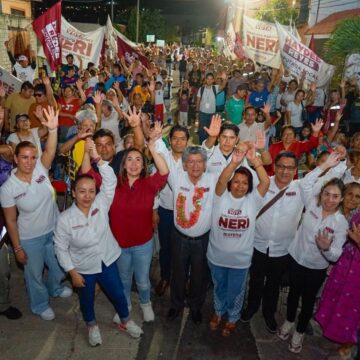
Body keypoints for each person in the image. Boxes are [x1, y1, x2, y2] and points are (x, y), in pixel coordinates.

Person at [54, 138, 143, 347]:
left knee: (118, 294)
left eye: (91, 191)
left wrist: (98, 159)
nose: (87, 196)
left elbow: (110, 181)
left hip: (107, 260)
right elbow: (60, 247)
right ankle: (92, 325)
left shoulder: (102, 203)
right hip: (83, 267)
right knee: (86, 301)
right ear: (73, 193)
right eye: (82, 191)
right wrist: (72, 272)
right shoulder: (65, 219)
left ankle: (125, 320)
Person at [0, 106, 72, 321]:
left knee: (61, 267)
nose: (29, 162)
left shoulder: (41, 169)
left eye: (32, 157)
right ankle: (40, 305)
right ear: (16, 159)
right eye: (24, 157)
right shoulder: (8, 188)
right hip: (30, 238)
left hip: (54, 230)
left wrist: (52, 130)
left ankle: (55, 289)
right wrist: (18, 247)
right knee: (34, 276)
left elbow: (50, 151)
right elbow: (11, 221)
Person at [277, 152, 348, 354]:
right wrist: (325, 165)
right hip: (296, 258)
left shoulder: (340, 223)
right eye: (327, 194)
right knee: (292, 295)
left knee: (307, 302)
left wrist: (326, 248)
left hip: (316, 267)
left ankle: (299, 332)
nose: (329, 200)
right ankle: (289, 322)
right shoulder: (312, 205)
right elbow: (306, 183)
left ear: (341, 199)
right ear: (321, 194)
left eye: (335, 196)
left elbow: (335, 256)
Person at [109, 111, 169, 323]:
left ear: (144, 166)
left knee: (143, 280)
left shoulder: (148, 185)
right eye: (130, 160)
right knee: (123, 279)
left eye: (138, 161)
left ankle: (145, 303)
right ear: (123, 165)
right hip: (120, 244)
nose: (134, 163)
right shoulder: (113, 185)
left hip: (143, 243)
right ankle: (124, 306)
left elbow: (163, 173)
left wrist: (152, 147)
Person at [207, 143, 269, 336]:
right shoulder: (220, 196)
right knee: (219, 287)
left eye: (244, 182)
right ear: (230, 183)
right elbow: (221, 180)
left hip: (240, 261)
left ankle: (233, 317)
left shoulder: (253, 200)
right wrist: (234, 162)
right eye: (236, 181)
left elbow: (265, 182)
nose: (240, 185)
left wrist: (254, 161)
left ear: (249, 186)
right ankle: (218, 312)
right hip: (216, 257)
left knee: (236, 291)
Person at [166, 146, 218, 324]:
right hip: (179, 237)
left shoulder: (213, 180)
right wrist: (154, 142)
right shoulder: (176, 177)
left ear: (205, 165)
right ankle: (176, 305)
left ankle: (195, 306)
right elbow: (161, 158)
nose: (195, 166)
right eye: (191, 162)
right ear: (184, 165)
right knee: (178, 274)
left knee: (200, 275)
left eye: (199, 162)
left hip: (203, 240)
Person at [154, 125, 190, 296]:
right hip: (166, 209)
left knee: (186, 248)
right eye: (175, 138)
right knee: (166, 246)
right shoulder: (162, 157)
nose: (178, 142)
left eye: (182, 138)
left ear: (188, 141)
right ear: (170, 140)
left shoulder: (193, 160)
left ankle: (185, 279)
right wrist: (154, 210)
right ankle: (165, 277)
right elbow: (155, 186)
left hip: (187, 212)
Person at [195, 72, 227, 144]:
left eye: (211, 79)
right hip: (202, 113)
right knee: (202, 131)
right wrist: (197, 112)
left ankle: (208, 146)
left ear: (213, 80)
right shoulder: (201, 89)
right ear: (205, 80)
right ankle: (202, 146)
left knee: (210, 131)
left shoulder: (215, 87)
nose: (209, 81)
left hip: (212, 114)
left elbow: (223, 86)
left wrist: (224, 79)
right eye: (208, 79)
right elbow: (198, 101)